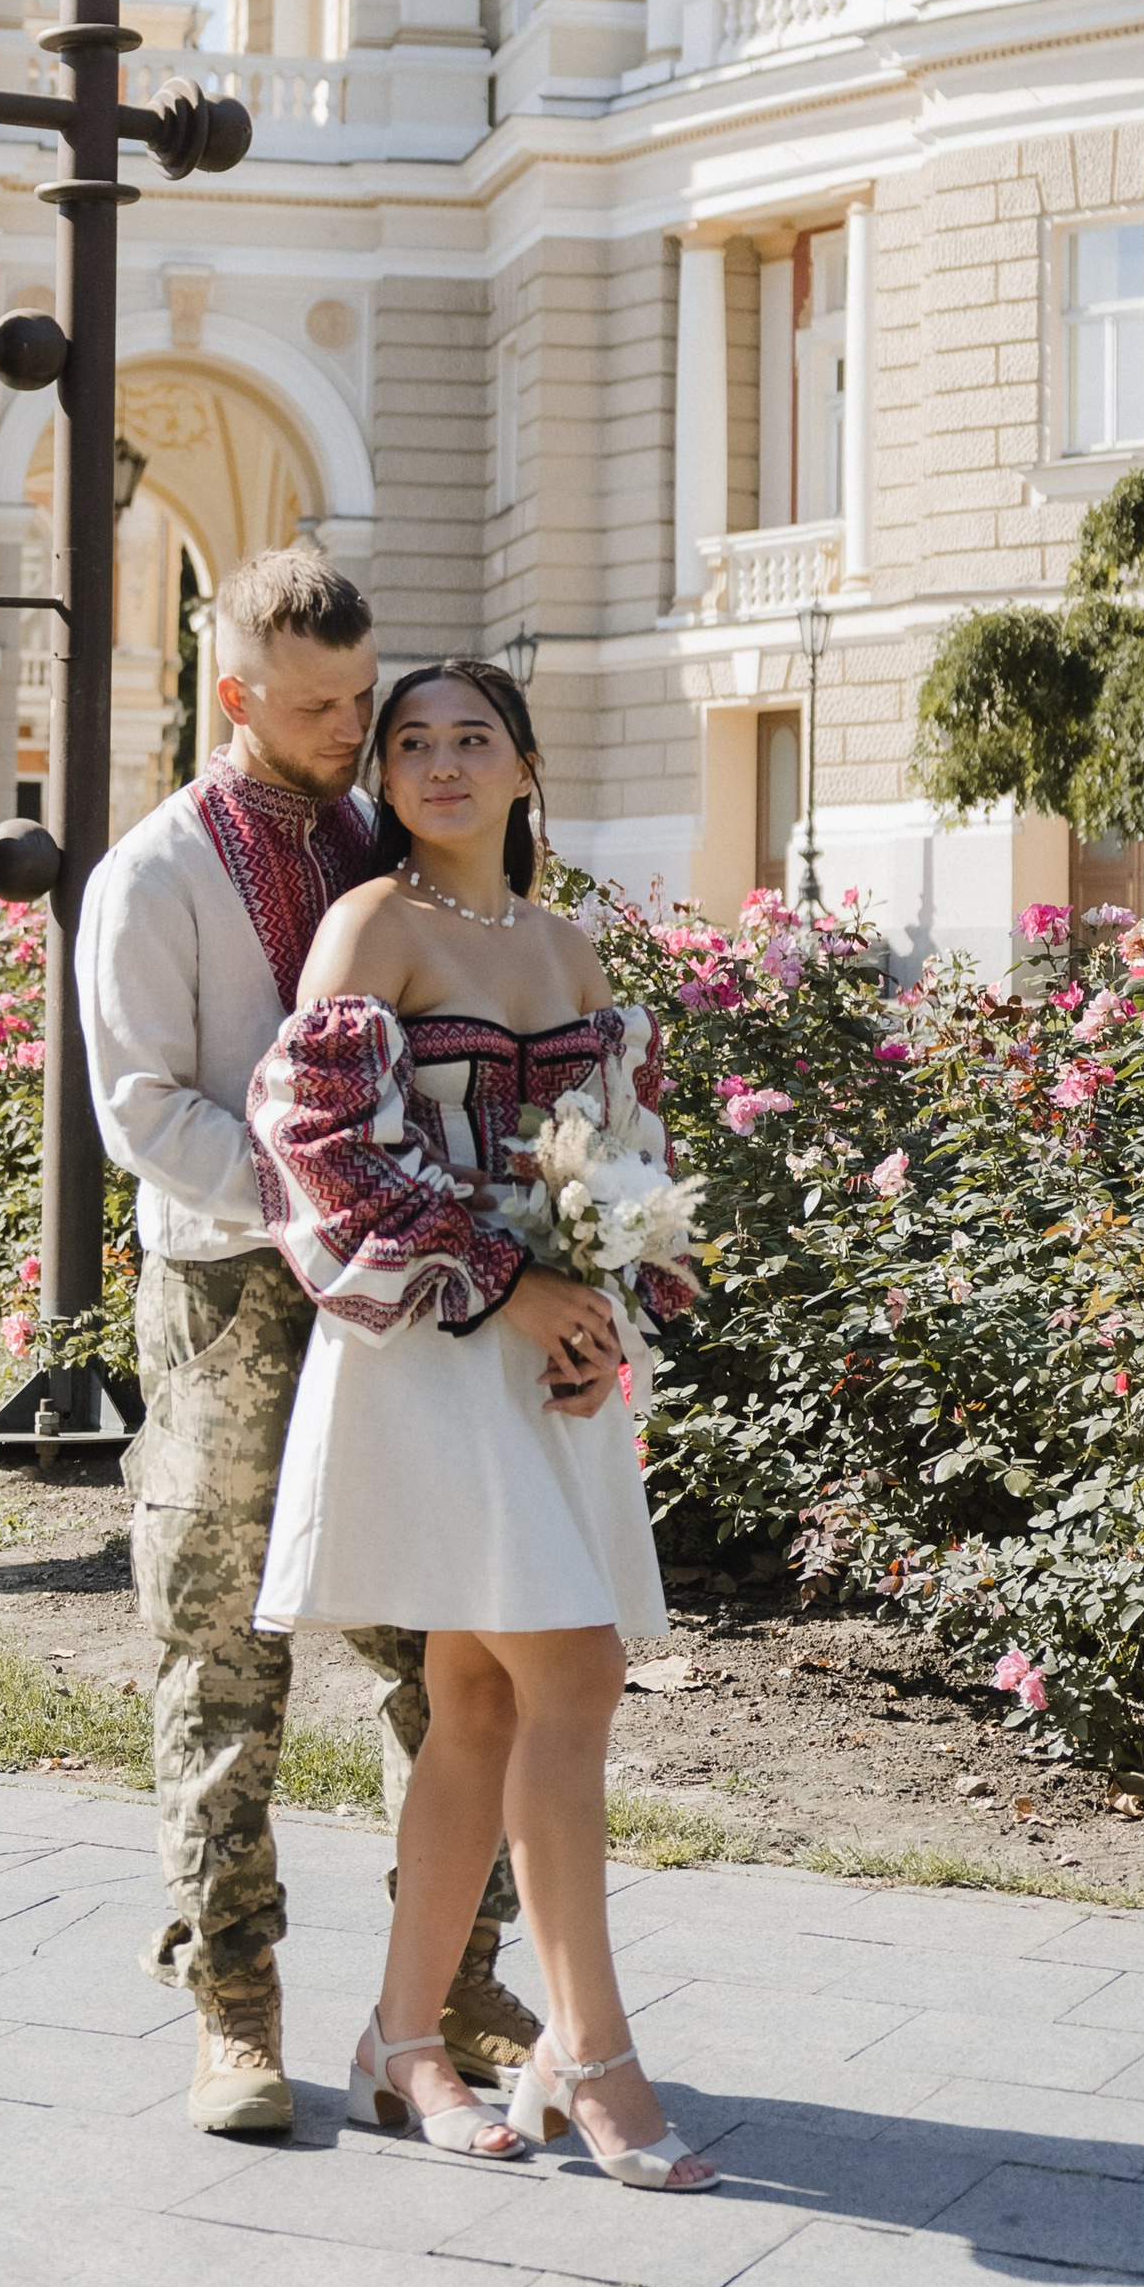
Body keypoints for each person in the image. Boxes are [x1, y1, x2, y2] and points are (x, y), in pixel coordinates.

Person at [78, 553, 538, 2141]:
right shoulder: (153, 873)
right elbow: (141, 1112)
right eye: (320, 704)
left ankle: (451, 1983)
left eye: (364, 695)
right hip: (229, 1297)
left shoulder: (380, 844)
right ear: (235, 696)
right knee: (221, 1653)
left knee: (442, 1639)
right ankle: (232, 2003)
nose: (357, 727)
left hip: (396, 1294)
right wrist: (323, 1199)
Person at [245, 659, 721, 2186]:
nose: (442, 763)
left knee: (481, 1700)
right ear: (385, 778)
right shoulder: (372, 926)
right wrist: (512, 1285)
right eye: (411, 743)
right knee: (572, 1666)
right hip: (433, 1347)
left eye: (473, 739)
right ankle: (593, 2054)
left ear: (524, 766)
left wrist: (607, 1310)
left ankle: (401, 2041)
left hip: (546, 1365)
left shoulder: (568, 947)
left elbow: (628, 1152)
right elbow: (323, 1149)